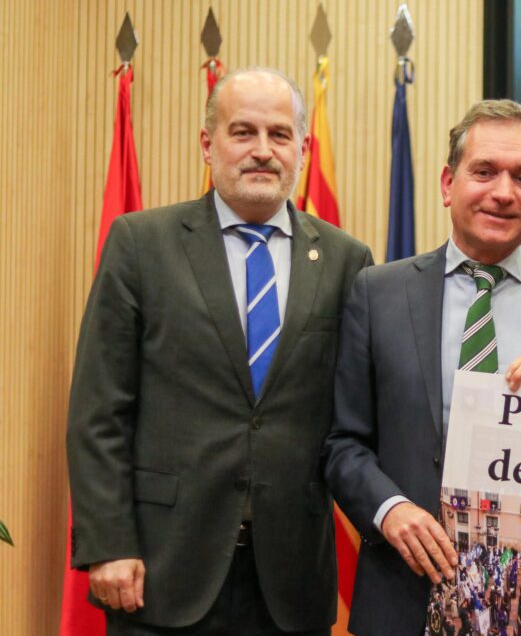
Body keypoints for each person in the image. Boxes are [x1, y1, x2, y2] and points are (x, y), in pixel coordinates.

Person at [66, 68, 373, 634]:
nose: (263, 151)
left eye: (279, 135)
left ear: (303, 150)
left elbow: (367, 405)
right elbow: (99, 410)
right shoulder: (141, 244)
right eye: (243, 132)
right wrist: (107, 543)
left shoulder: (346, 260)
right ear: (208, 144)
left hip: (291, 580)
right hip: (160, 569)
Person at [322, 99, 521, 634]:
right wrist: (389, 509)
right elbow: (343, 442)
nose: (503, 192)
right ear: (447, 184)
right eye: (484, 172)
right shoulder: (377, 293)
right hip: (401, 590)